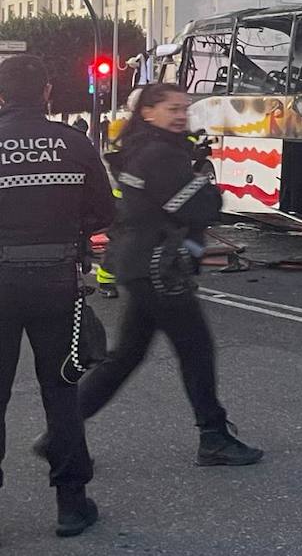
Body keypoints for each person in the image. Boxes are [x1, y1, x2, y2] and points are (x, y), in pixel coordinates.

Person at [74, 83, 263, 468]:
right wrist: (207, 190)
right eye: (172, 108)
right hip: (159, 266)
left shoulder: (140, 149)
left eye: (185, 108)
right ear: (147, 112)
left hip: (139, 263)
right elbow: (200, 207)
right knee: (195, 349)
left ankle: (62, 432)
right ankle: (213, 436)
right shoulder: (161, 155)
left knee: (126, 356)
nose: (181, 115)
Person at [0, 55, 113, 537]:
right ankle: (71, 504)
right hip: (57, 282)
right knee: (62, 391)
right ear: (46, 92)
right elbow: (104, 211)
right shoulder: (74, 143)